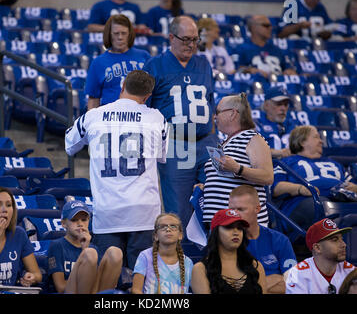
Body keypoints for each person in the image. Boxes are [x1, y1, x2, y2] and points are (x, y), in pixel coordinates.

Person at [65, 70, 169, 270]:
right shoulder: (156, 118)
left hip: (108, 211)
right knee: (141, 281)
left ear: (122, 87)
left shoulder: (93, 116)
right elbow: (161, 156)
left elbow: (70, 145)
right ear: (147, 96)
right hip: (143, 212)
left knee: (108, 281)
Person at [142, 15, 217, 230]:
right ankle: (183, 259)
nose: (191, 45)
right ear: (171, 37)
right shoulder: (155, 65)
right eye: (185, 39)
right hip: (175, 143)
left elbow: (210, 102)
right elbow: (145, 108)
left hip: (206, 142)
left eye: (195, 39)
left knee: (216, 201)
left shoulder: (204, 64)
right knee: (179, 210)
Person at [200, 92, 273, 228]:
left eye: (218, 112)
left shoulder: (252, 138)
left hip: (240, 224)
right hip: (218, 223)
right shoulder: (225, 142)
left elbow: (268, 176)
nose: (215, 116)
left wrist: (237, 169)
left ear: (233, 113)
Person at [272, 125, 357, 231]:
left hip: (341, 199)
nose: (321, 141)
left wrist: (354, 188)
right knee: (323, 207)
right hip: (305, 201)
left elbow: (352, 185)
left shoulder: (334, 163)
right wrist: (300, 189)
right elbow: (275, 187)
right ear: (302, 141)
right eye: (316, 137)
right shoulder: (287, 162)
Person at [229, 185, 296, 294]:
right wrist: (276, 278)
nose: (235, 215)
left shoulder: (280, 240)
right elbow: (235, 288)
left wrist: (254, 286)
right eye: (232, 210)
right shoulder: (227, 242)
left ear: (257, 209)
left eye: (241, 209)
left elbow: (293, 284)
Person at [48, 200, 123, 294]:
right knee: (89, 253)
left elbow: (95, 283)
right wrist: (85, 252)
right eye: (74, 220)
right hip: (69, 292)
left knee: (115, 252)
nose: (80, 224)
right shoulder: (57, 245)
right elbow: (61, 287)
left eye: (84, 220)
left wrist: (85, 248)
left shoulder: (93, 248)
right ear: (63, 223)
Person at [191, 208, 267, 294]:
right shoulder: (200, 269)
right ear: (216, 232)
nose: (236, 232)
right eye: (229, 227)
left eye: (239, 228)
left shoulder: (256, 266)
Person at [85, 14, 151, 110]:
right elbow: (93, 99)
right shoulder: (98, 63)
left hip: (140, 117)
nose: (120, 37)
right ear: (109, 34)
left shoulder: (144, 57)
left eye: (124, 33)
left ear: (129, 34)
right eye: (116, 33)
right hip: (110, 118)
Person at [286, 218, 355, 294]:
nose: (344, 245)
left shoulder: (351, 271)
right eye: (335, 240)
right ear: (317, 248)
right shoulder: (297, 275)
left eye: (341, 239)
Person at [132, 213, 193, 294]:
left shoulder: (188, 262)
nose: (168, 229)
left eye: (173, 226)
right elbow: (136, 290)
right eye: (163, 227)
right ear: (156, 236)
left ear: (180, 235)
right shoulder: (145, 256)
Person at [254, 86, 300, 159]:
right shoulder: (256, 125)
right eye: (278, 104)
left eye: (286, 105)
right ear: (266, 105)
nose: (283, 108)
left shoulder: (295, 125)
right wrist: (278, 153)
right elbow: (250, 151)